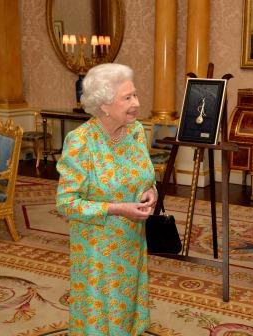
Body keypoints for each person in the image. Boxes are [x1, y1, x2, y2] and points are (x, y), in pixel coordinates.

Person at [56, 63, 157, 335]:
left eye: (135, 95)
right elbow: (66, 203)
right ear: (103, 105)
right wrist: (117, 209)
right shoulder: (81, 142)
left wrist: (151, 192)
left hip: (132, 242)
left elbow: (146, 176)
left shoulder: (135, 132)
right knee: (100, 318)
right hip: (97, 251)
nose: (136, 103)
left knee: (126, 313)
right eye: (128, 98)